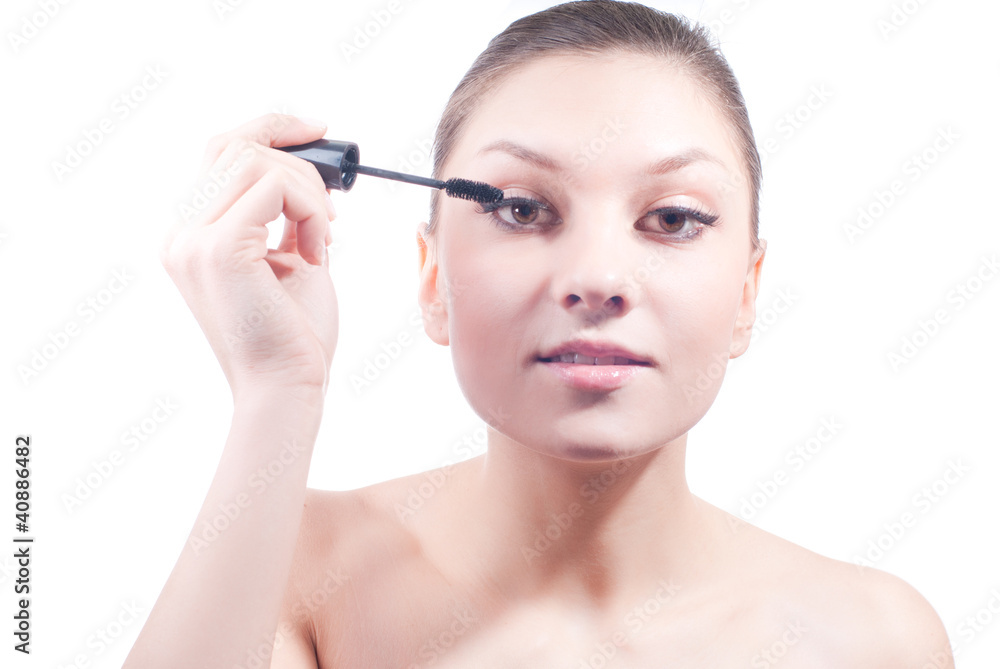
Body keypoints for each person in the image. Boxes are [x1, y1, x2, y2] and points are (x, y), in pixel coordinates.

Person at [123, 1, 955, 666]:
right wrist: (278, 390)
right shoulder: (294, 565)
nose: (596, 277)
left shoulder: (875, 641)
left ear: (747, 291)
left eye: (670, 218)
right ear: (432, 278)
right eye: (521, 209)